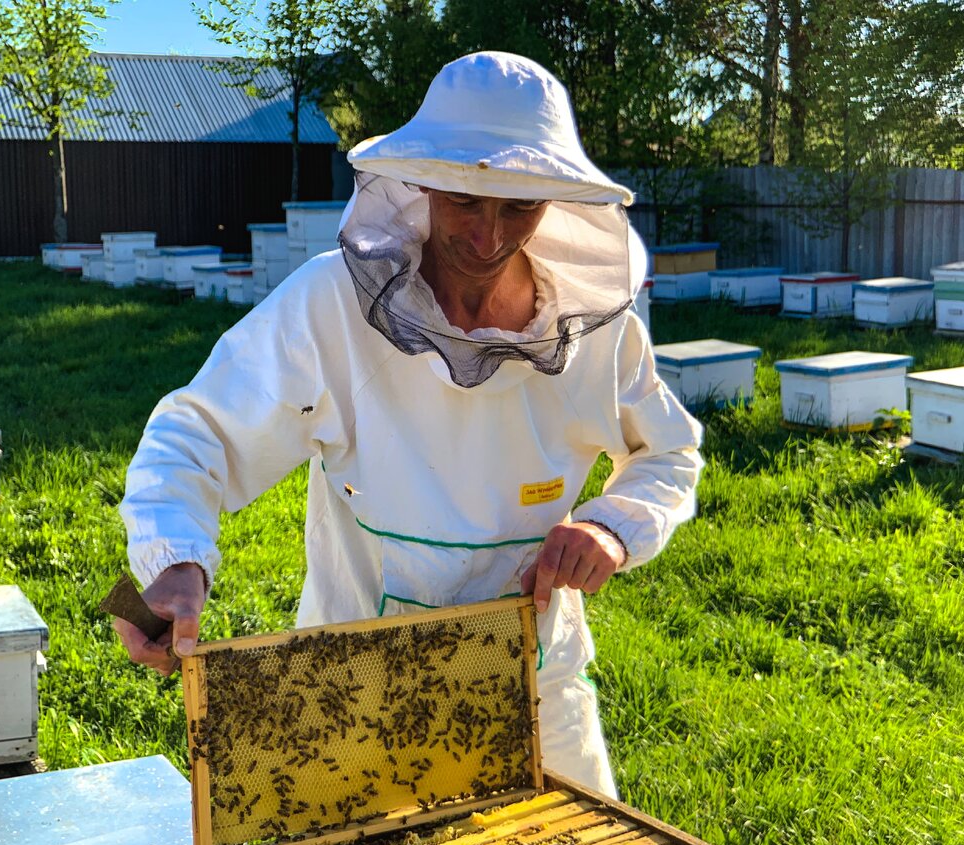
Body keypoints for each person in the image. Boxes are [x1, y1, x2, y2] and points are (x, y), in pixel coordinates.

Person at [115, 51, 703, 798]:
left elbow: (671, 452)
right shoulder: (330, 304)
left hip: (537, 684)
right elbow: (195, 435)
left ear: (555, 202)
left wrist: (613, 525)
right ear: (422, 180)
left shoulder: (597, 333)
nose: (490, 238)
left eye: (520, 208)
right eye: (465, 200)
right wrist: (173, 562)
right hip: (354, 686)